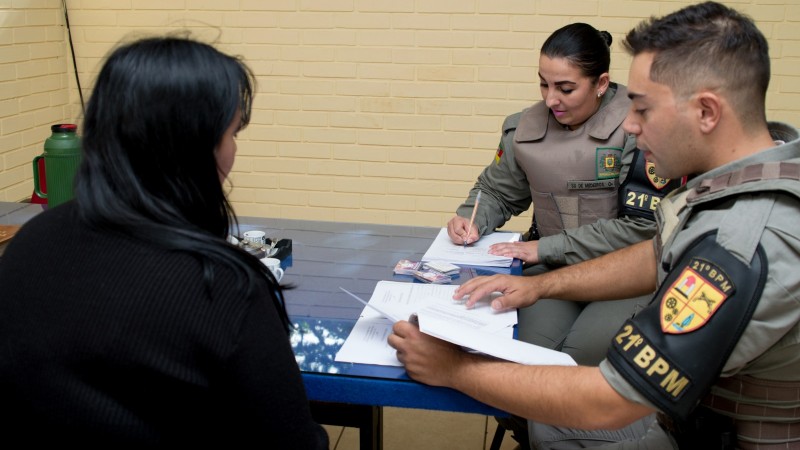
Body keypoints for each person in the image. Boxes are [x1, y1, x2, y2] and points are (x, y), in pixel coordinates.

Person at [390, 2, 800, 449]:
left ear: (706, 112)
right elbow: (653, 254)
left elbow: (610, 400)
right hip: (689, 421)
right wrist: (542, 287)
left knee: (561, 400)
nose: (628, 123)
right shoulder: (739, 183)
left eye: (642, 109)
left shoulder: (740, 242)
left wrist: (453, 370)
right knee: (547, 413)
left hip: (712, 435)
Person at [0, 36, 328, 448]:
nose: (233, 152)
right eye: (232, 133)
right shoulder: (224, 285)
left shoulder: (30, 242)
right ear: (194, 146)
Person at [448, 23, 682, 367]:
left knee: (581, 357)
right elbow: (497, 191)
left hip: (625, 275)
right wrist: (471, 218)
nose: (550, 99)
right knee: (528, 356)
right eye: (544, 83)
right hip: (551, 269)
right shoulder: (524, 129)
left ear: (601, 83)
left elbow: (643, 228)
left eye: (566, 88)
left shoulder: (638, 129)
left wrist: (543, 247)